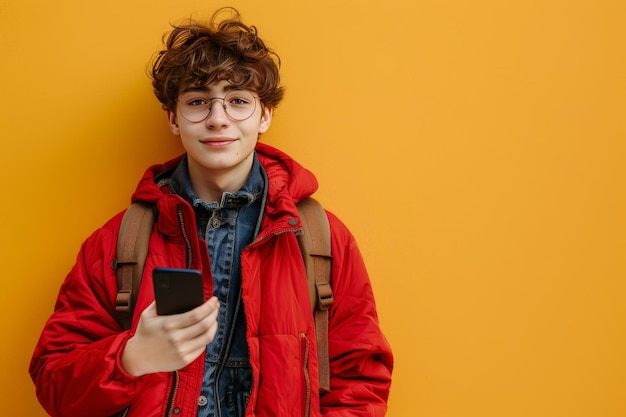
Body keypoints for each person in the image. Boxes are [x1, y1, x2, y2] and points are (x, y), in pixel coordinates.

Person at [29, 7, 393, 417]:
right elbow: (53, 381)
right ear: (173, 118)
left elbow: (359, 381)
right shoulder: (120, 241)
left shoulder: (319, 238)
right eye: (198, 102)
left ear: (265, 115)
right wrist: (130, 358)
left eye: (238, 101)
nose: (218, 119)